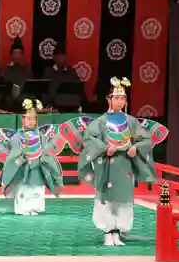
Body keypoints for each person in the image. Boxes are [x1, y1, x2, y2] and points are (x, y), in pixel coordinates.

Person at [59, 77, 169, 246]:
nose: (119, 100)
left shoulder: (131, 122)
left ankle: (118, 231)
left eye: (122, 97)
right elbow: (90, 138)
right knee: (107, 199)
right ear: (108, 100)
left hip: (125, 165)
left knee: (123, 199)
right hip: (107, 164)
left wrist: (135, 148)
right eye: (116, 97)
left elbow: (145, 139)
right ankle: (108, 232)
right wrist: (104, 147)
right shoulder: (101, 122)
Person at [0, 99, 66, 216]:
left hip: (37, 165)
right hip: (22, 165)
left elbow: (45, 150)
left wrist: (43, 159)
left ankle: (36, 208)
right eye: (29, 119)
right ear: (23, 119)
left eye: (34, 119)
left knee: (37, 189)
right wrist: (21, 157)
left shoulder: (41, 136)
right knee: (23, 190)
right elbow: (15, 150)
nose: (32, 122)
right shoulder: (17, 136)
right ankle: (22, 209)